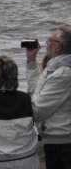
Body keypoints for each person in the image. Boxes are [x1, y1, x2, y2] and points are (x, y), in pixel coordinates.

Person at [27, 24, 71, 169]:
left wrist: (13, 103)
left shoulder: (63, 74)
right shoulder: (52, 68)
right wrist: (31, 61)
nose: (46, 43)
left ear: (59, 47)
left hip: (63, 144)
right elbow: (34, 91)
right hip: (54, 141)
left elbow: (38, 111)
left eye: (50, 40)